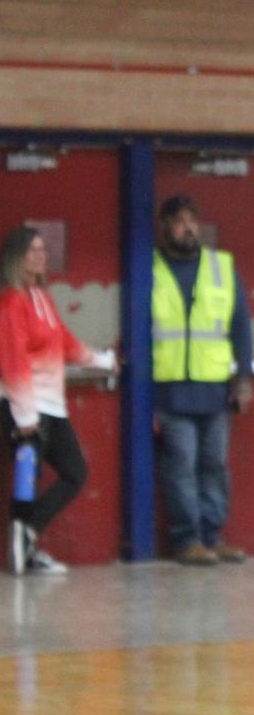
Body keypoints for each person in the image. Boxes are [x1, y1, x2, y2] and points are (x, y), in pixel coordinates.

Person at [0, 225, 116, 575]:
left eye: (42, 249)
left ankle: (26, 534)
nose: (41, 255)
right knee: (26, 478)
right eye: (32, 250)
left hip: (52, 406)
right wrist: (24, 415)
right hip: (25, 407)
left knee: (74, 472)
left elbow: (64, 343)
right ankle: (25, 549)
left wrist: (104, 360)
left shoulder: (42, 299)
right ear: (16, 258)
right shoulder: (11, 301)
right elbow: (13, 359)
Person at [152, 194, 253, 567]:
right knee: (181, 466)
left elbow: (240, 326)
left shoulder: (220, 267)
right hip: (171, 390)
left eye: (192, 220)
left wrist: (243, 379)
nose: (188, 227)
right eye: (179, 221)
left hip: (214, 390)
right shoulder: (150, 268)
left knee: (214, 465)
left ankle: (213, 536)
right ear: (164, 226)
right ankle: (188, 539)